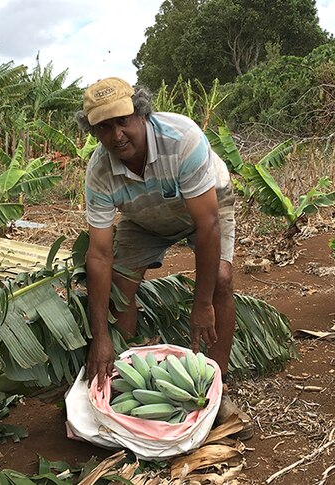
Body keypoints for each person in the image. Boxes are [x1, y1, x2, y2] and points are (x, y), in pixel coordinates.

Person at [76, 77, 251, 437]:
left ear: (141, 113)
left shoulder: (181, 139)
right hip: (144, 218)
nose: (117, 134)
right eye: (104, 127)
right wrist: (100, 337)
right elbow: (99, 254)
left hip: (205, 206)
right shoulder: (99, 171)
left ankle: (217, 388)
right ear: (94, 133)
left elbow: (207, 227)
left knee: (219, 280)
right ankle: (120, 372)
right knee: (119, 290)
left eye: (123, 120)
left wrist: (201, 304)